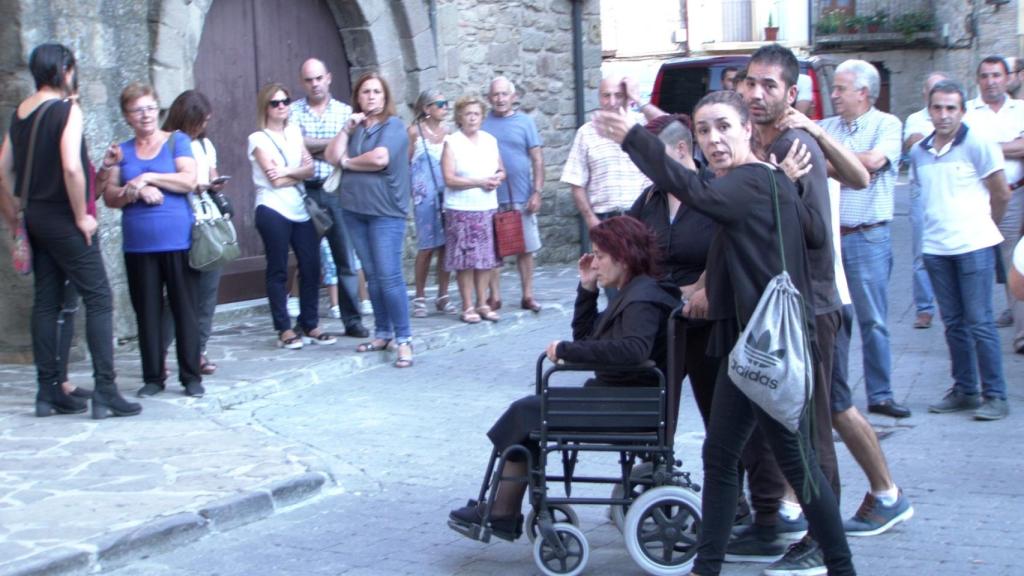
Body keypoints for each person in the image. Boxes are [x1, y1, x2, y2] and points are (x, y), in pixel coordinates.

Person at [596, 89, 855, 576]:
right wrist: (792, 187)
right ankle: (706, 567)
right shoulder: (768, 181)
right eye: (703, 130)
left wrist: (634, 137)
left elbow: (698, 194)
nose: (713, 139)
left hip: (771, 353)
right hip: (748, 350)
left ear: (747, 131)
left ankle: (842, 567)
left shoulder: (749, 182)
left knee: (798, 466)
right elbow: (815, 233)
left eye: (723, 127)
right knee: (719, 456)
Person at [448, 216, 680, 537]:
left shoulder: (642, 299)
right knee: (528, 418)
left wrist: (568, 351)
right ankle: (502, 510)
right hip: (623, 400)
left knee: (525, 412)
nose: (595, 263)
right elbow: (588, 337)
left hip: (626, 406)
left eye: (600, 256)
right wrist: (587, 288)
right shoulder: (634, 293)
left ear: (623, 257)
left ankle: (500, 511)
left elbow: (633, 351)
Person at [0, 43, 140, 419]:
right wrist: (82, 216)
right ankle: (106, 390)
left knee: (46, 302)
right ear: (64, 70)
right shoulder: (67, 109)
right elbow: (71, 168)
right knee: (99, 298)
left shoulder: (21, 112)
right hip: (64, 216)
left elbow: (2, 170)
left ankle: (47, 393)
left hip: (36, 217)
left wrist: (15, 219)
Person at [912, 80, 1011, 421]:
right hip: (937, 249)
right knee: (953, 323)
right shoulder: (919, 151)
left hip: (974, 247)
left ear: (962, 111)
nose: (943, 115)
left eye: (951, 108)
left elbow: (1002, 193)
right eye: (937, 108)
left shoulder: (979, 144)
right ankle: (965, 390)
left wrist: (986, 228)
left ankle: (995, 395)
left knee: (980, 322)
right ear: (929, 110)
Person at [99, 83, 204, 398]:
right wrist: (133, 191)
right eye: (136, 110)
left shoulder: (176, 142)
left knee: (185, 310)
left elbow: (189, 180)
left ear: (157, 109)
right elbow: (110, 197)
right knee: (147, 312)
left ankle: (191, 377)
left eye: (148, 108)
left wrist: (147, 177)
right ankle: (153, 377)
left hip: (178, 240)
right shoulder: (123, 151)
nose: (144, 115)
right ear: (127, 117)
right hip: (139, 245)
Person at [819, 59, 910, 419]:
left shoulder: (887, 125)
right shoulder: (825, 127)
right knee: (836, 317)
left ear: (864, 93)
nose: (834, 94)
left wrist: (830, 159)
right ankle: (834, 392)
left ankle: (881, 394)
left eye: (841, 88)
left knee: (873, 320)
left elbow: (873, 162)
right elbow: (809, 158)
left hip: (867, 236)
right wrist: (838, 162)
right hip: (830, 240)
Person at [625, 114, 717, 430]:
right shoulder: (650, 198)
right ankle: (651, 474)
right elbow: (627, 248)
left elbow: (735, 247)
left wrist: (704, 285)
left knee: (717, 419)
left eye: (653, 159)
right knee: (654, 419)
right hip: (662, 322)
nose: (648, 169)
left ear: (681, 149)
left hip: (707, 324)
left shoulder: (715, 192)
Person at [325, 72, 413, 368]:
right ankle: (383, 332)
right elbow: (329, 155)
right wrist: (346, 129)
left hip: (386, 212)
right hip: (354, 211)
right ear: (357, 98)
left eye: (377, 91)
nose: (371, 96)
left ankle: (404, 339)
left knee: (389, 277)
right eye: (365, 92)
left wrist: (348, 163)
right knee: (373, 276)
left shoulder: (395, 126)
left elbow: (380, 158)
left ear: (386, 96)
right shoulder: (356, 128)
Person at [248, 82, 335, 351]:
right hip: (272, 208)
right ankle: (283, 328)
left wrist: (288, 172)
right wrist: (293, 171)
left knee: (311, 265)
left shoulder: (295, 132)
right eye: (276, 103)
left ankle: (309, 322)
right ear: (266, 107)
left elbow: (309, 171)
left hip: (298, 207)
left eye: (285, 101)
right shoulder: (258, 138)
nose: (282, 106)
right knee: (277, 268)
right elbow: (272, 179)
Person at [289, 58, 368, 339]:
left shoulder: (345, 111)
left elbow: (349, 148)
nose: (315, 84)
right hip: (306, 191)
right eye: (309, 80)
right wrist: (334, 142)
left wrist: (320, 145)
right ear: (302, 82)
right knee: (307, 260)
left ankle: (352, 320)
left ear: (329, 78)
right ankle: (307, 320)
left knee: (344, 257)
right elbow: (298, 145)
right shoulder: (293, 112)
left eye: (319, 78)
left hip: (336, 190)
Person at [160, 89, 224, 376]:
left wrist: (213, 183)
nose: (204, 126)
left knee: (207, 292)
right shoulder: (168, 143)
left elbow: (211, 174)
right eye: (201, 120)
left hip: (208, 221)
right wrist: (190, 184)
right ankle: (159, 352)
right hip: (181, 223)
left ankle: (199, 350)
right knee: (178, 294)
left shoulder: (205, 145)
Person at [964, 55, 1024, 353]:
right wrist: (1011, 146)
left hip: (1014, 195)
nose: (991, 81)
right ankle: (978, 329)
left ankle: (1021, 333)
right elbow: (966, 152)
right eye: (985, 76)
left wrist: (988, 148)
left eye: (996, 75)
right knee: (978, 263)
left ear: (1007, 78)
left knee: (1015, 261)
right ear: (978, 80)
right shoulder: (969, 114)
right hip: (977, 197)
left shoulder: (1020, 110)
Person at [561, 76, 648, 260]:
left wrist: (641, 100)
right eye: (606, 95)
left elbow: (674, 127)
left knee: (643, 280)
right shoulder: (586, 133)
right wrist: (591, 220)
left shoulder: (643, 126)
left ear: (627, 97)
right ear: (599, 98)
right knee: (613, 284)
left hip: (640, 217)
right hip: (606, 219)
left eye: (618, 95)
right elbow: (576, 183)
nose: (612, 102)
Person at [440, 94, 506, 324]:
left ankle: (483, 303)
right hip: (461, 210)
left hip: (487, 207)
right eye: (467, 114)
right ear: (459, 117)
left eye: (476, 114)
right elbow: (449, 178)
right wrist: (480, 182)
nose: (472, 118)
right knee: (465, 261)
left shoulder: (490, 140)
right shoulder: (452, 142)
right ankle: (467, 306)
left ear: (482, 116)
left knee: (485, 259)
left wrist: (497, 178)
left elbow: (501, 169)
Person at [482, 76, 545, 313]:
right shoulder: (482, 123)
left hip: (521, 195)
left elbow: (537, 159)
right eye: (495, 95)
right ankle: (494, 297)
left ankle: (528, 295)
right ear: (489, 98)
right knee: (492, 252)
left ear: (513, 97)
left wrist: (537, 192)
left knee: (526, 249)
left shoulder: (525, 123)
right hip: (489, 197)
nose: (499, 99)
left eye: (504, 94)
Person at [902, 72, 949, 330]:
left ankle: (950, 306)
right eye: (932, 91)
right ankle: (924, 308)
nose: (936, 95)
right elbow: (913, 144)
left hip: (950, 189)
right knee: (921, 252)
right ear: (924, 94)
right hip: (921, 189)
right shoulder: (915, 119)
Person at [408, 88, 455, 318]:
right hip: (423, 197)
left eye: (446, 103)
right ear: (427, 109)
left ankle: (443, 294)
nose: (445, 107)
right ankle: (419, 295)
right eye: (440, 103)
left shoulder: (449, 134)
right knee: (426, 247)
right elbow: (405, 164)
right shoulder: (414, 133)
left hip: (446, 194)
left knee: (446, 246)